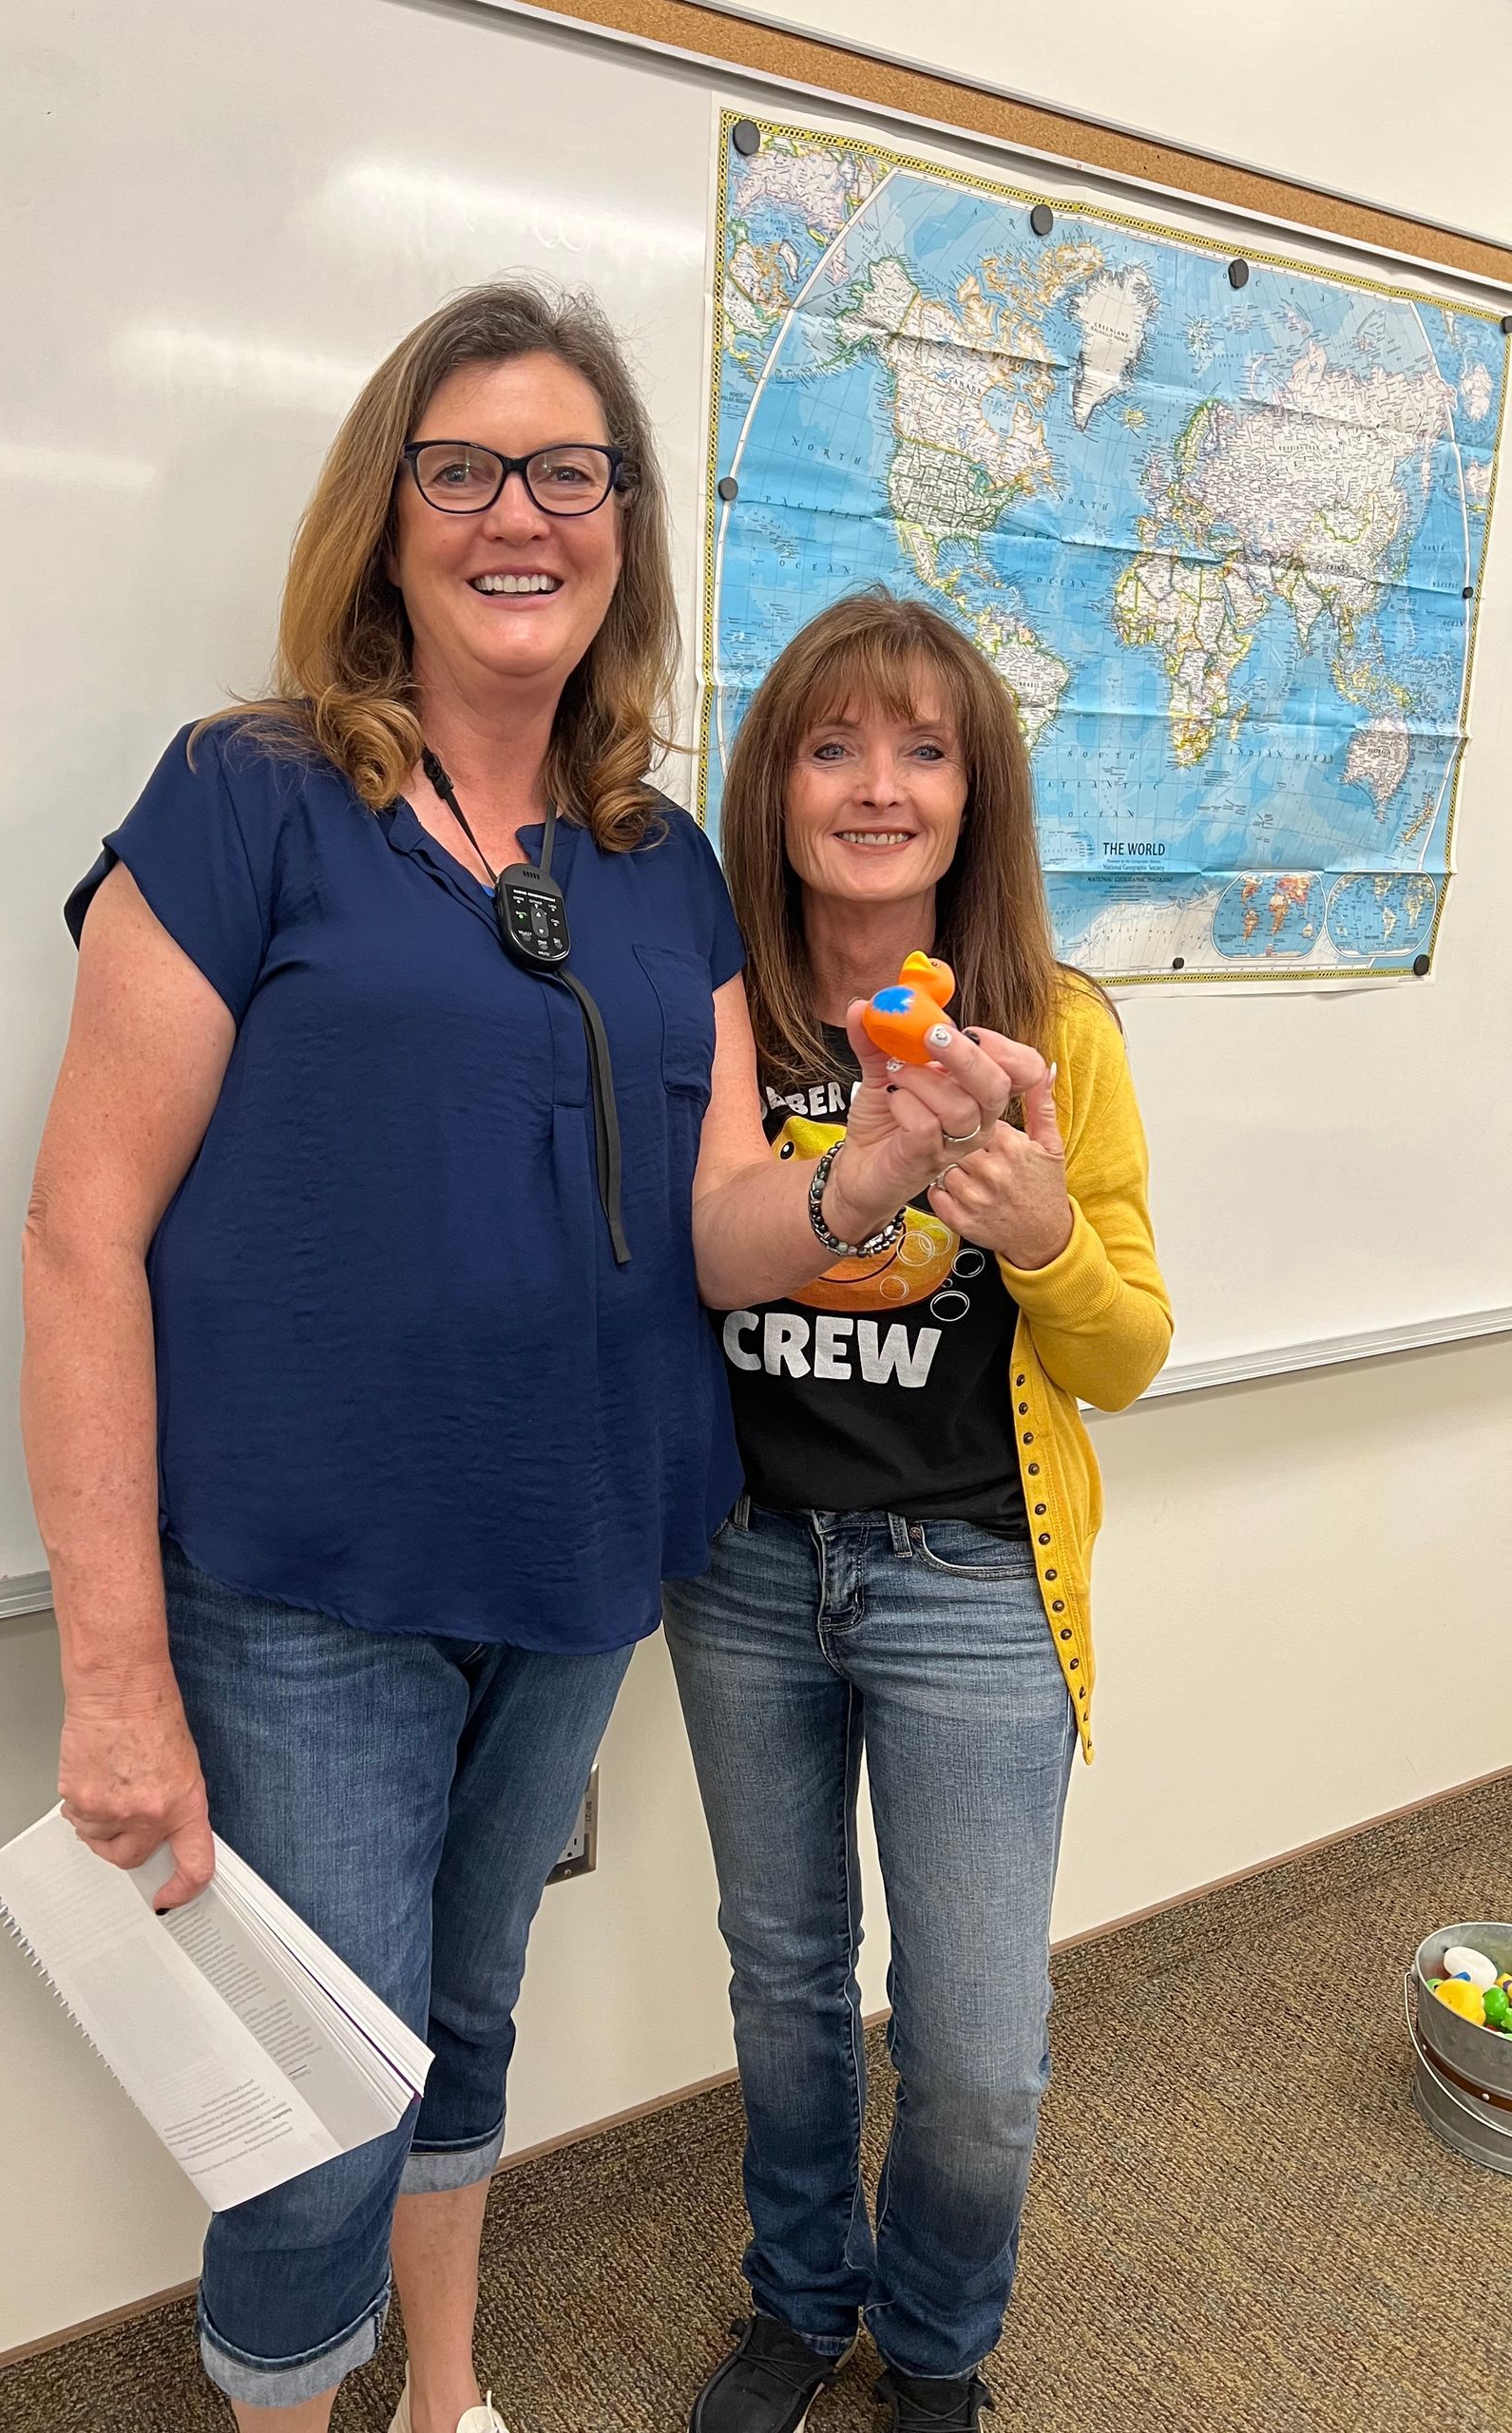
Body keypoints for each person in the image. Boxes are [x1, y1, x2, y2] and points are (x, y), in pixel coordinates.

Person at [20, 290, 1043, 2433]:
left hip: (579, 1561)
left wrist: (868, 1169)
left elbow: (715, 1225)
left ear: (624, 530)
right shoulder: (249, 797)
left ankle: (450, 2390)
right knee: (314, 2106)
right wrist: (113, 1664)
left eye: (568, 472)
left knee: (463, 2017)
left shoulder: (661, 860)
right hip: (308, 1588)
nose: (518, 514)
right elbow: (79, 1230)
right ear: (387, 520)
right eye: (462, 467)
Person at [667, 591, 1172, 2433]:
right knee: (786, 1975)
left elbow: (1124, 1350)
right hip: (741, 1568)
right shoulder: (708, 1004)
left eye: (925, 748)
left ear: (978, 793)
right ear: (775, 777)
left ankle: (938, 2341)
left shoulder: (1059, 1030)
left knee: (975, 2048)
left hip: (971, 1579)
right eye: (832, 744)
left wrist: (1039, 1235)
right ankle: (800, 2300)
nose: (877, 787)